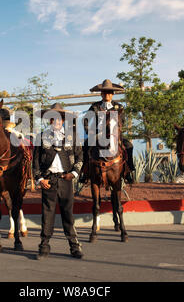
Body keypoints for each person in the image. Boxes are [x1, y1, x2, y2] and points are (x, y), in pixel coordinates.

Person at [33, 103, 84, 259]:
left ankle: (74, 246)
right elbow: (35, 162)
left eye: (60, 118)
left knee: (68, 213)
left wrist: (74, 173)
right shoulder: (41, 137)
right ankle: (44, 246)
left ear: (63, 120)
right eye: (53, 118)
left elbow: (80, 157)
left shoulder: (72, 136)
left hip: (66, 179)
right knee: (47, 214)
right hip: (49, 181)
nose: (57, 121)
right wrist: (40, 179)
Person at [80, 79, 135, 184]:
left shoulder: (119, 107)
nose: (107, 95)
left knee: (128, 146)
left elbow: (122, 121)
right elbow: (85, 119)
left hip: (114, 135)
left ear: (112, 94)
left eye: (109, 92)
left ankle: (129, 170)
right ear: (101, 94)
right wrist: (89, 132)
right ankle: (85, 172)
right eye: (105, 92)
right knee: (85, 145)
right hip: (98, 135)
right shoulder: (95, 106)